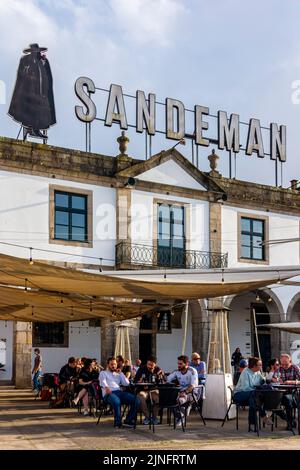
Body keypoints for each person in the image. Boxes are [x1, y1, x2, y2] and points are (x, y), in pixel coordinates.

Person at [8, 43, 56, 138]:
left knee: (41, 112)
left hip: (41, 92)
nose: (36, 53)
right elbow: (22, 75)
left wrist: (43, 63)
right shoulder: (25, 60)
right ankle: (30, 128)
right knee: (30, 110)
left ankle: (36, 130)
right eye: (34, 51)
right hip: (29, 91)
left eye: (37, 51)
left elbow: (47, 76)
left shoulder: (43, 61)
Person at [99, 357, 140, 428]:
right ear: (108, 364)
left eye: (114, 364)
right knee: (116, 401)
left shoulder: (118, 374)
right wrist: (106, 387)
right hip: (108, 393)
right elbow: (103, 381)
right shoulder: (103, 373)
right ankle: (118, 423)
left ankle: (128, 420)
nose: (113, 366)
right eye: (111, 364)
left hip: (119, 392)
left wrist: (121, 373)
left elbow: (126, 383)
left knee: (137, 400)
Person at [233, 356, 269, 430]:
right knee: (254, 395)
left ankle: (252, 424)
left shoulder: (258, 372)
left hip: (251, 395)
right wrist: (257, 390)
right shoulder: (245, 372)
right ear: (254, 366)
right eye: (260, 365)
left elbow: (262, 381)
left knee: (252, 400)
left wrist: (264, 380)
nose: (261, 366)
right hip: (240, 394)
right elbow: (245, 388)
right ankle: (264, 416)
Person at [167, 355, 200, 424]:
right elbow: (167, 379)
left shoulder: (192, 371)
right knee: (168, 400)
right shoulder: (177, 371)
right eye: (178, 363)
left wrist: (185, 392)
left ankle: (180, 418)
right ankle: (180, 416)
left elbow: (193, 385)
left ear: (187, 363)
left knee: (179, 400)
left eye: (180, 364)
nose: (178, 365)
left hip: (192, 393)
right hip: (181, 392)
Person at [134, 355, 164, 425]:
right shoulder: (141, 369)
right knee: (141, 397)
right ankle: (147, 417)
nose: (149, 366)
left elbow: (163, 381)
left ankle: (154, 417)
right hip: (143, 390)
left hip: (153, 390)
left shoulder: (158, 369)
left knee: (158, 398)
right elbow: (135, 381)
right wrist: (139, 381)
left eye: (151, 365)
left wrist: (161, 376)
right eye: (148, 364)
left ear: (155, 365)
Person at [279, 353, 300, 429]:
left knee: (287, 400)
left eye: (286, 364)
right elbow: (274, 378)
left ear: (290, 362)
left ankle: (290, 423)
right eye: (282, 364)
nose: (284, 366)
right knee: (271, 402)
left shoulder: (295, 368)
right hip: (281, 392)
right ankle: (289, 419)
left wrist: (291, 382)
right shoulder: (280, 369)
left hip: (294, 393)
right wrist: (276, 379)